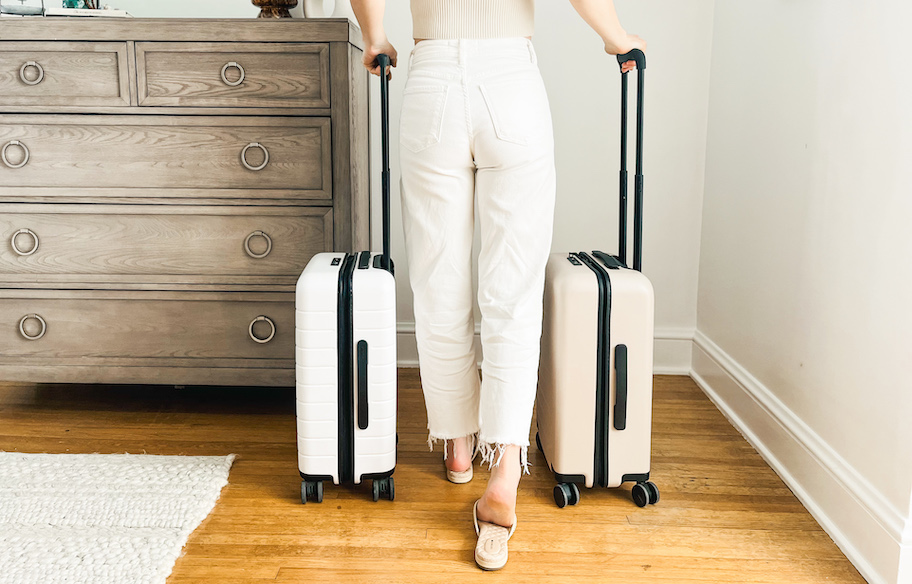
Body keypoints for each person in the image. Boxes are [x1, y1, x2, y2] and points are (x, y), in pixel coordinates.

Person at [349, 0, 645, 571]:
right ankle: (504, 474)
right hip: (511, 83)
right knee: (512, 292)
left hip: (431, 79)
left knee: (439, 285)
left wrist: (376, 37)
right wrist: (614, 36)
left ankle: (458, 445)